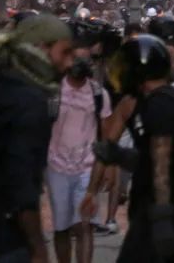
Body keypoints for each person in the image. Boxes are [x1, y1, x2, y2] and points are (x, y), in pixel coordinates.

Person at [0, 14, 74, 263]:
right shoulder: (30, 102)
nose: (69, 63)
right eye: (65, 52)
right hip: (6, 237)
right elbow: (21, 183)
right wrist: (37, 246)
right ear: (42, 48)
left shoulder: (0, 82)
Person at [88, 34, 174, 263]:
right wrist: (123, 157)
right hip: (162, 209)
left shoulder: (160, 104)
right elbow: (155, 157)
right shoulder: (163, 99)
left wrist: (162, 217)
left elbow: (162, 162)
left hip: (163, 211)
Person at [47, 36, 111, 263]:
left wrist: (107, 168)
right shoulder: (53, 91)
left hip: (87, 168)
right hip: (55, 167)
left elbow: (105, 134)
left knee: (84, 226)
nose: (81, 64)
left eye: (86, 60)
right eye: (76, 59)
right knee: (62, 228)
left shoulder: (99, 94)